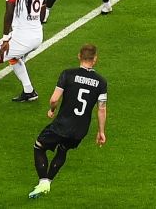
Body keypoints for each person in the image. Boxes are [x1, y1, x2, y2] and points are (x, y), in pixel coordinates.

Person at [28, 44, 108, 199]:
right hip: (80, 130)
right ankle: (48, 182)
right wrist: (101, 131)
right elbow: (102, 109)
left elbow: (54, 99)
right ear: (95, 59)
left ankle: (44, 181)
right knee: (63, 149)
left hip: (62, 125)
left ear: (79, 56)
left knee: (39, 146)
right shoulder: (101, 82)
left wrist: (52, 110)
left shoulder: (68, 74)